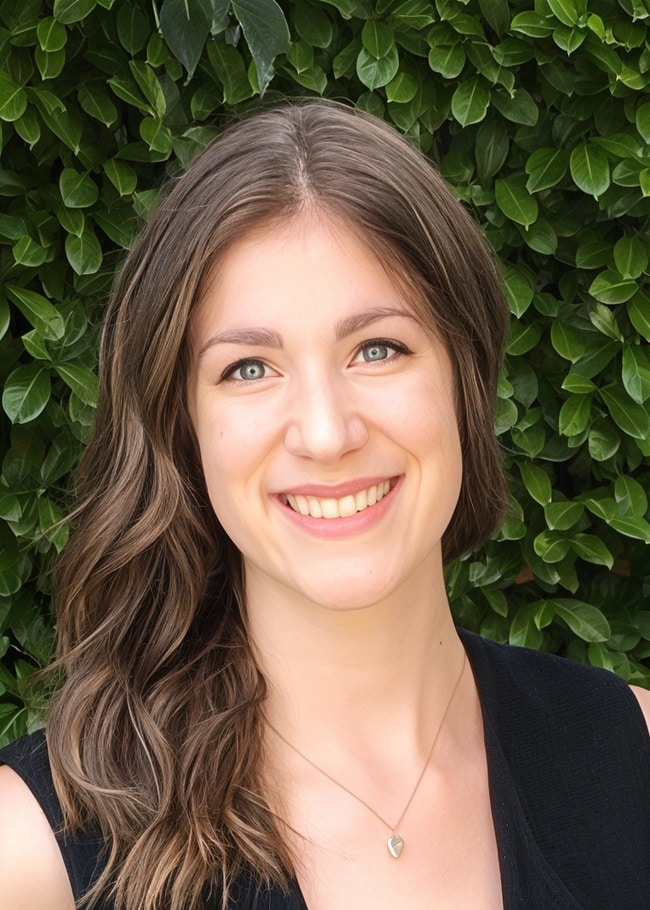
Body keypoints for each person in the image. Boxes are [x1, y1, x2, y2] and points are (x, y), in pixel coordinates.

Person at [0, 101, 648, 910]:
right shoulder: (34, 852)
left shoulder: (633, 757)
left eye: (378, 349)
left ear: (466, 379)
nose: (325, 431)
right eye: (248, 368)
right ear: (183, 426)